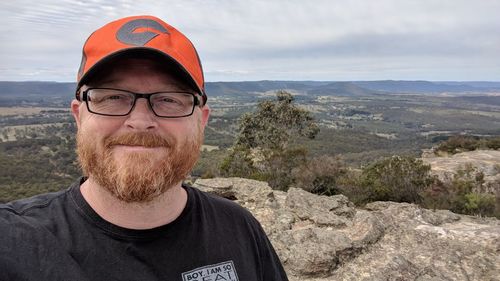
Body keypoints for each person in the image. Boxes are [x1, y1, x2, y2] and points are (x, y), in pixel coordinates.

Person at [0, 15, 288, 281]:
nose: (139, 122)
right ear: (79, 116)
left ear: (201, 120)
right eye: (113, 97)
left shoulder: (238, 229)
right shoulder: (12, 243)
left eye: (169, 99)